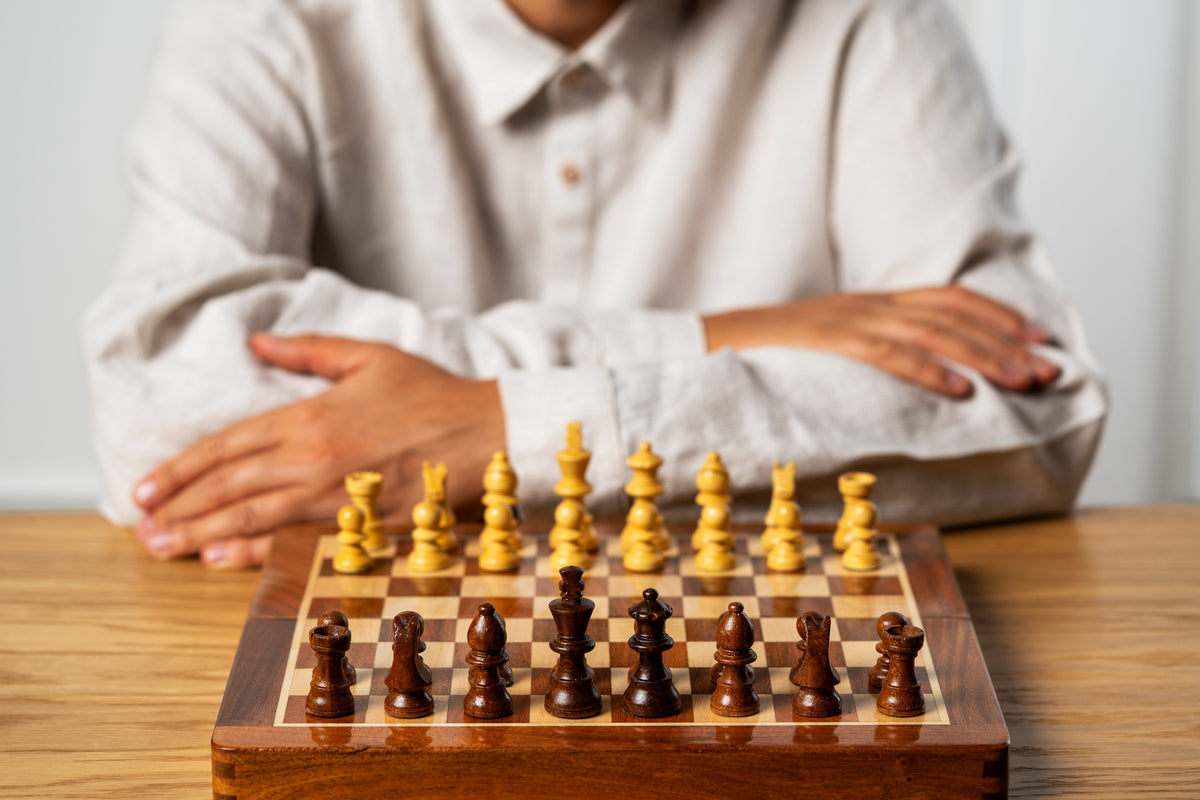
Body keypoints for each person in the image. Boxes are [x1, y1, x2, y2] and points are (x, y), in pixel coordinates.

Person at [83, 0, 1108, 569]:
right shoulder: (263, 20)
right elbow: (158, 397)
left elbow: (1036, 409)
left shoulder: (870, 20)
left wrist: (488, 429)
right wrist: (717, 336)